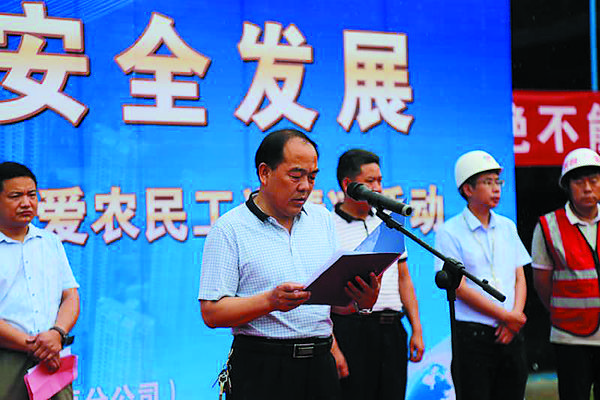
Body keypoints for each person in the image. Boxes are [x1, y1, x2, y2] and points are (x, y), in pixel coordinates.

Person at [198, 129, 380, 400]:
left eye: (312, 177)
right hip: (263, 367)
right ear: (265, 173)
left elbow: (335, 304)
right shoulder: (230, 229)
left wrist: (361, 300)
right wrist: (270, 301)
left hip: (320, 365)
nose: (305, 186)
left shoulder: (322, 220)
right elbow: (212, 313)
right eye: (295, 176)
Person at [434, 150, 530, 400]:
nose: (496, 188)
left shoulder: (507, 226)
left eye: (498, 182)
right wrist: (506, 317)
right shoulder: (449, 232)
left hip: (512, 332)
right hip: (473, 336)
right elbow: (459, 287)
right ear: (468, 189)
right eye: (488, 182)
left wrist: (515, 317)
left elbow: (519, 276)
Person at [330, 149, 424, 400]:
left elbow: (404, 278)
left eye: (380, 180)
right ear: (348, 185)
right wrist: (334, 348)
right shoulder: (328, 226)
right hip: (352, 330)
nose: (378, 188)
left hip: (392, 328)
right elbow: (324, 298)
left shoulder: (388, 223)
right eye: (370, 181)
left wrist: (416, 329)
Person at [0, 161, 80, 400]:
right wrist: (36, 345)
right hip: (8, 358)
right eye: (16, 196)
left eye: (32, 195)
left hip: (52, 359)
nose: (26, 203)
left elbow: (70, 296)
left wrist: (57, 333)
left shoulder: (50, 242)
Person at [531, 147, 600, 400]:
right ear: (567, 186)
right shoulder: (548, 226)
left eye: (594, 180)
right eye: (579, 182)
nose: (588, 188)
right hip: (570, 336)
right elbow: (541, 283)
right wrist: (563, 312)